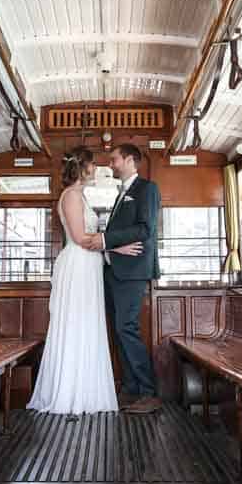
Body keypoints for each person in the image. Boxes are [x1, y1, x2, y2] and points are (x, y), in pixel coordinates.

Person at [27, 147, 143, 414]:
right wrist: (116, 248)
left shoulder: (80, 195)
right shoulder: (70, 196)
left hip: (88, 266)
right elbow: (80, 239)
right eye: (92, 165)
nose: (96, 169)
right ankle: (70, 393)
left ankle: (88, 390)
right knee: (76, 324)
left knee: (87, 324)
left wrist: (109, 245)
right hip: (78, 265)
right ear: (82, 168)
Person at [82, 144, 162, 414]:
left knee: (126, 328)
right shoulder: (122, 192)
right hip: (115, 271)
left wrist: (105, 240)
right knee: (120, 330)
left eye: (115, 159)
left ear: (129, 160)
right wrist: (111, 247)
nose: (111, 163)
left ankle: (149, 392)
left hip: (132, 272)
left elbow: (145, 228)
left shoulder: (146, 189)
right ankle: (131, 389)